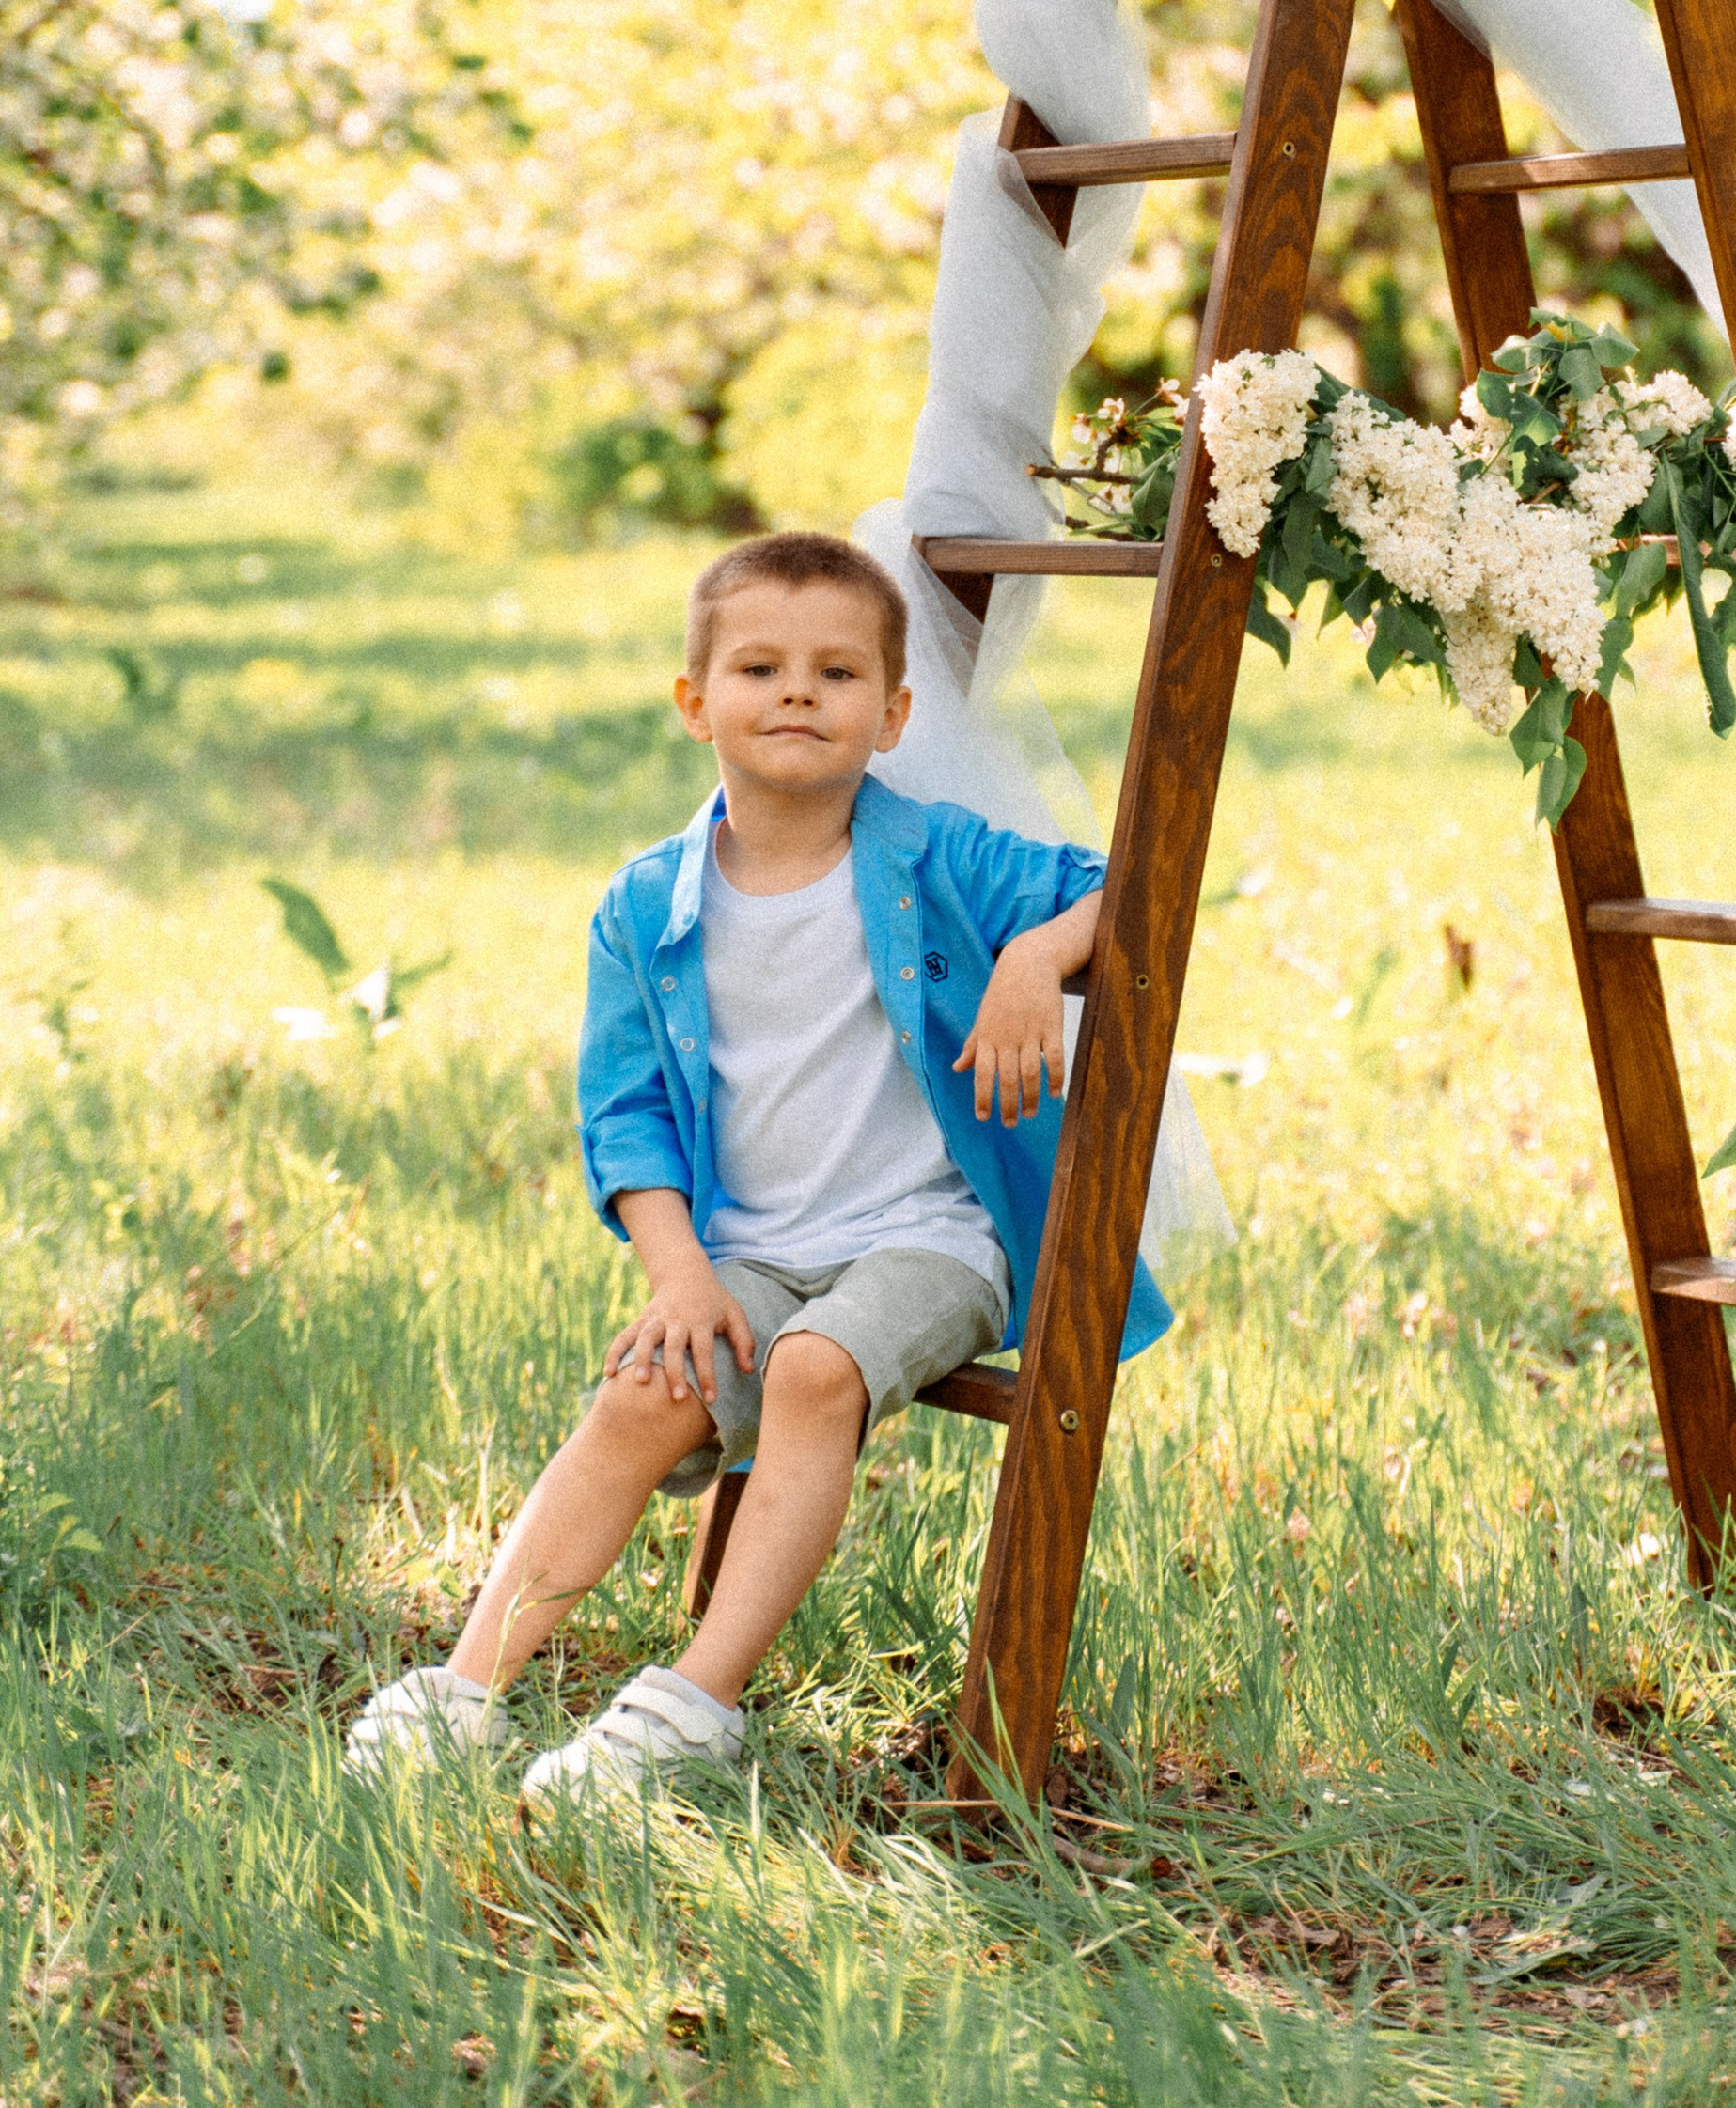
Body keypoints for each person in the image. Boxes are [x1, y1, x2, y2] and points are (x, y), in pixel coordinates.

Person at [343, 527, 1166, 1801]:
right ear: (696, 703)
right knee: (637, 1399)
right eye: (762, 667)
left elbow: (1136, 889)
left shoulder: (940, 859)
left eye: (838, 675)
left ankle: (689, 1705)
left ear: (891, 717)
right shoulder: (644, 904)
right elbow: (626, 1120)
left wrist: (1030, 962)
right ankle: (468, 1690)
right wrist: (679, 1276)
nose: (798, 692)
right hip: (747, 1250)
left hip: (934, 1238)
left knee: (815, 1370)